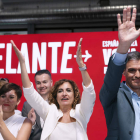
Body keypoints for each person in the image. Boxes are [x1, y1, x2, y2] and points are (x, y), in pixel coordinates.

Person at [11, 38, 96, 140]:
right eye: (60, 91)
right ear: (56, 95)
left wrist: (81, 65)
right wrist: (22, 63)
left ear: (75, 95)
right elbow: (30, 92)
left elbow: (89, 92)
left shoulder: (81, 112)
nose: (64, 93)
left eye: (68, 90)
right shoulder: (50, 112)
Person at [99, 7, 140, 140]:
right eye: (132, 70)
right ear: (123, 71)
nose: (137, 75)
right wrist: (124, 45)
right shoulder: (114, 94)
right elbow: (111, 81)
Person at [22, 69, 53, 140]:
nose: (42, 86)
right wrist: (31, 125)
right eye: (38, 83)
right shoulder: (27, 105)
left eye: (45, 82)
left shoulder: (59, 103)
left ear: (51, 82)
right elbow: (23, 135)